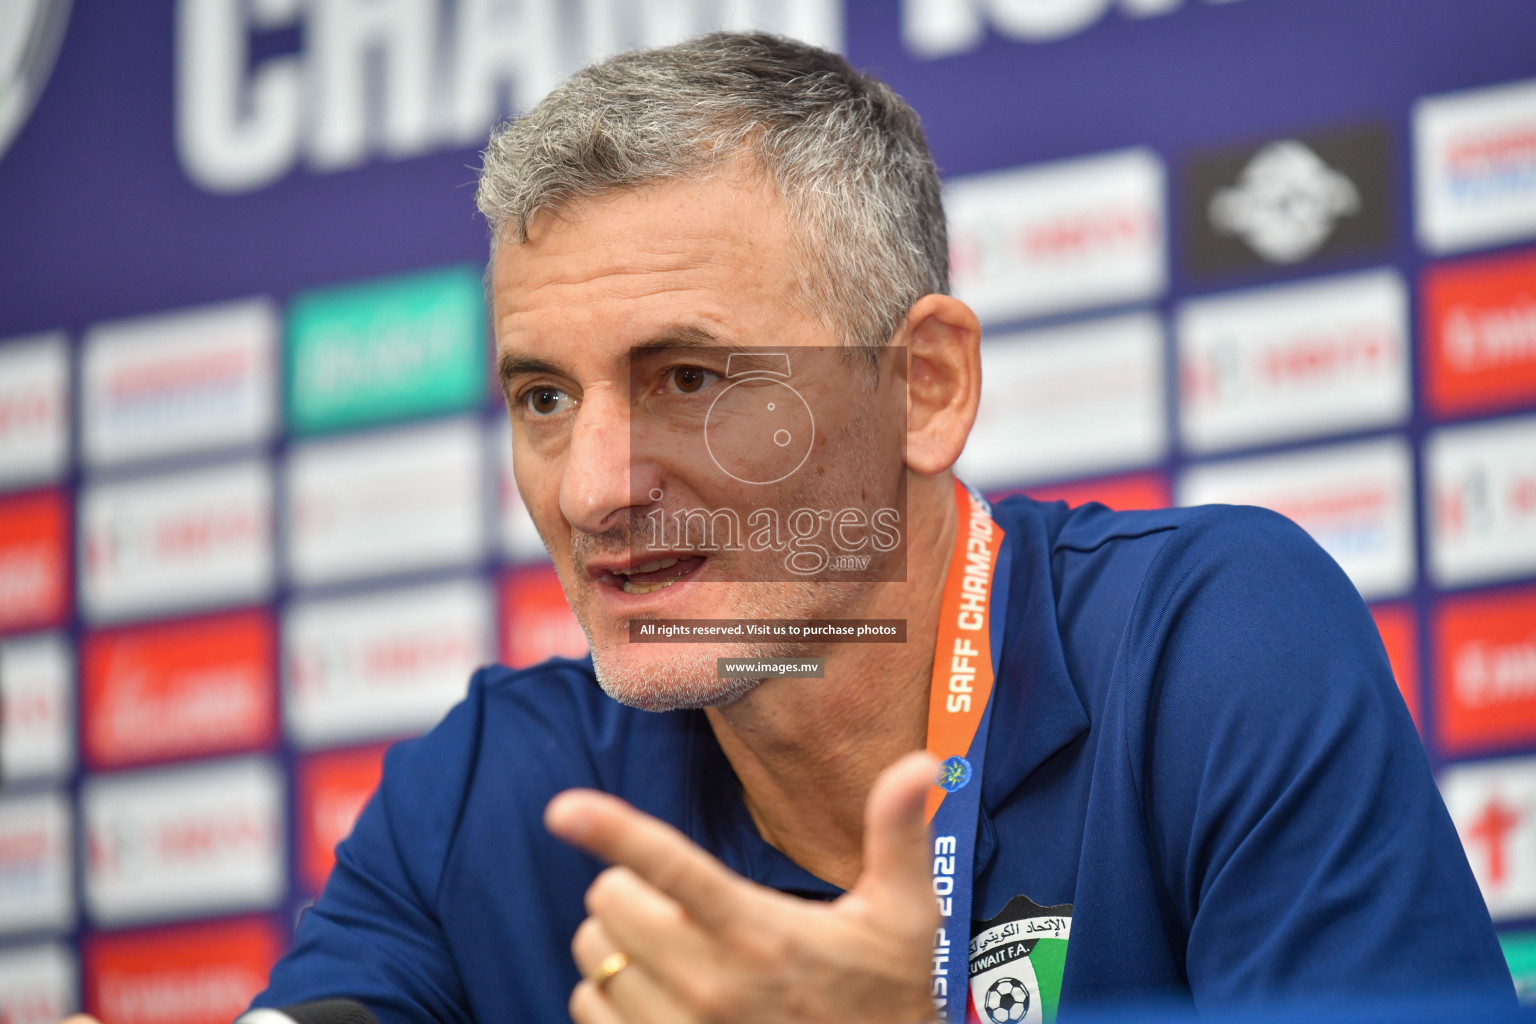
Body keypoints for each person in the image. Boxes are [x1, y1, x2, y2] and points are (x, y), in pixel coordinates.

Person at [240, 31, 1513, 1024]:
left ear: (926, 388)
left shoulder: (1215, 644)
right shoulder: (486, 794)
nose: (592, 490)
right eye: (546, 397)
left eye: (690, 379)